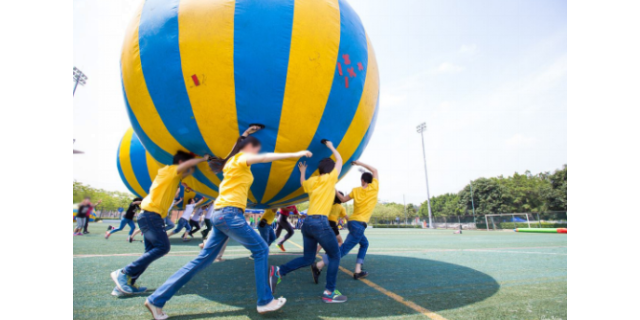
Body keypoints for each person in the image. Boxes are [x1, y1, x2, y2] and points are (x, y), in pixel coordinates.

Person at [144, 125, 311, 318]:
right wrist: (296, 153)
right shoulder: (241, 159)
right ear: (249, 149)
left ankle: (156, 299)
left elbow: (236, 152)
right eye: (255, 148)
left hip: (222, 214)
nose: (257, 152)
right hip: (230, 214)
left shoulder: (231, 162)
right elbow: (263, 158)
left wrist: (245, 134)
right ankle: (265, 301)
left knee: (202, 260)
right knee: (261, 249)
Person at [109, 151, 207, 299]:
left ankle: (125, 285)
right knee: (163, 247)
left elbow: (189, 170)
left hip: (149, 216)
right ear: (181, 163)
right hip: (151, 216)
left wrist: (193, 169)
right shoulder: (169, 170)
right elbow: (188, 166)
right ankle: (124, 273)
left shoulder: (172, 177)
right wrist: (204, 158)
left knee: (150, 252)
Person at [269, 140, 347, 304]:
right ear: (332, 170)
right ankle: (329, 293)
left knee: (308, 258)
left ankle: (279, 271)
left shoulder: (313, 181)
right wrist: (331, 146)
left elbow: (302, 183)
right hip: (320, 222)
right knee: (335, 255)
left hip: (308, 224)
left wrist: (303, 171)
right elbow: (340, 160)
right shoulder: (330, 178)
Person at [314, 161, 379, 280]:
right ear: (370, 181)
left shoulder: (356, 190)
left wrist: (333, 187)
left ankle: (358, 270)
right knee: (343, 250)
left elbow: (343, 199)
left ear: (363, 180)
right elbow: (375, 170)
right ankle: (319, 265)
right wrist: (360, 163)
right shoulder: (374, 188)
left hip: (352, 223)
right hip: (359, 225)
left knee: (364, 243)